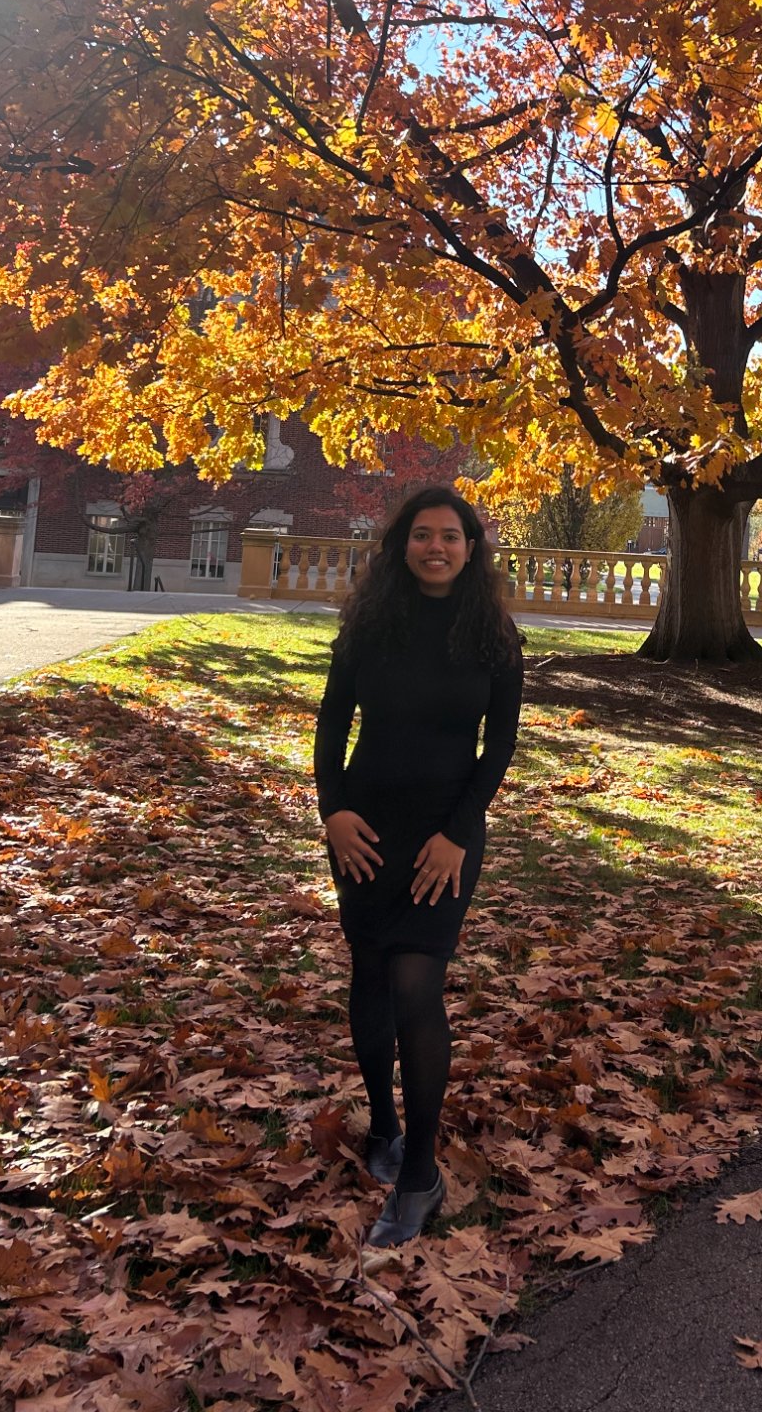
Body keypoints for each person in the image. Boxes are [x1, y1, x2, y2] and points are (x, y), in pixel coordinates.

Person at [313, 484, 524, 1247]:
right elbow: (333, 723)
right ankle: (383, 1126)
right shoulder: (370, 624)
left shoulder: (494, 634)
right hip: (365, 829)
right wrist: (332, 812)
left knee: (415, 983)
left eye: (451, 536)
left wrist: (458, 835)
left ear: (471, 549)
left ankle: (420, 1173)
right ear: (403, 545)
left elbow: (498, 746)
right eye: (423, 535)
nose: (437, 547)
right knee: (370, 973)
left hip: (445, 836)